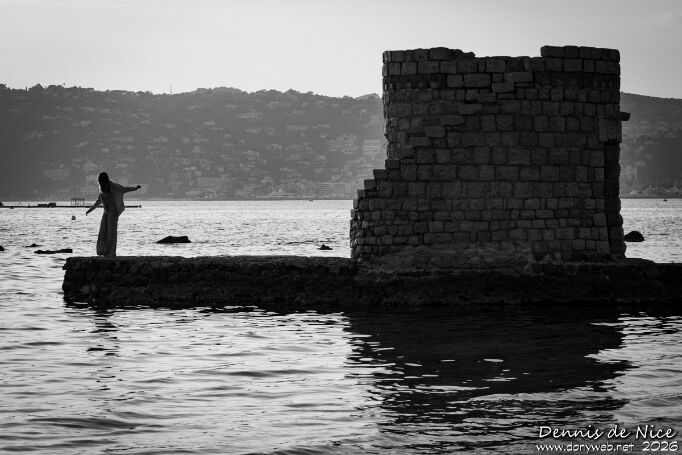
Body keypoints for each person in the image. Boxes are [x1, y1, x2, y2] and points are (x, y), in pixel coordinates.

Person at [85, 172, 141, 257]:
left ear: (105, 180)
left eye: (101, 180)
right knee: (102, 232)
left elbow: (124, 189)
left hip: (113, 212)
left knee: (111, 233)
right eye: (99, 181)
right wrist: (90, 210)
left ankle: (110, 253)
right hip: (106, 212)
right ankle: (102, 251)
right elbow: (99, 201)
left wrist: (135, 188)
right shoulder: (101, 188)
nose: (100, 182)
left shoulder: (113, 186)